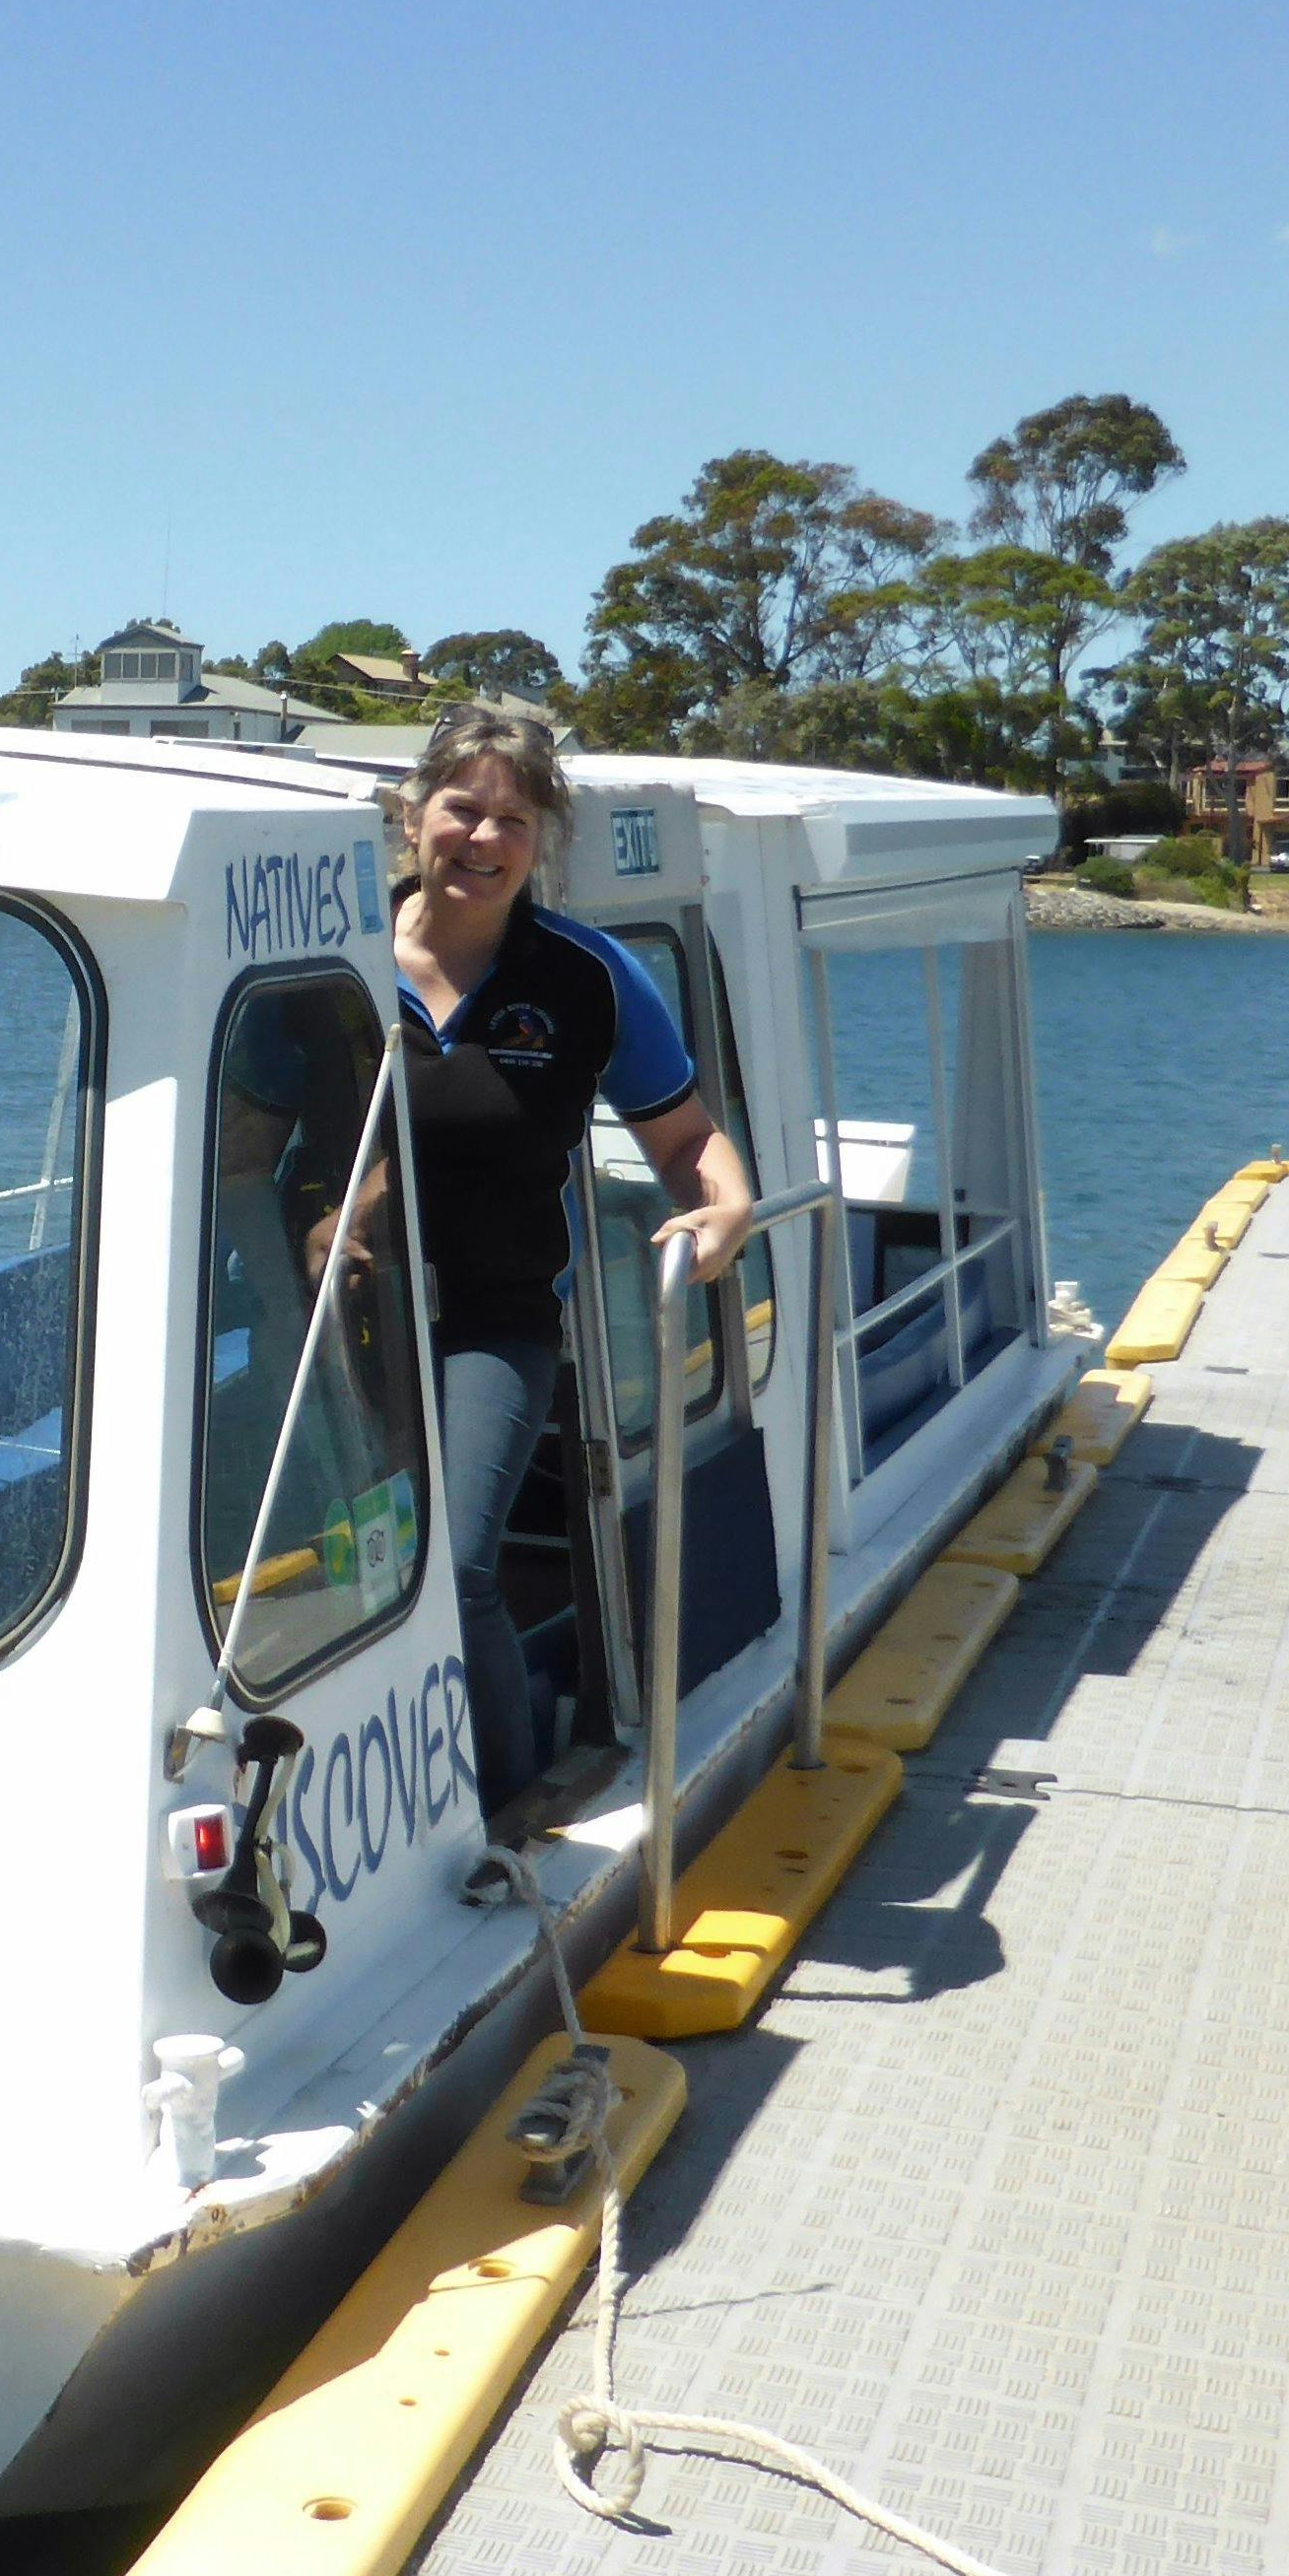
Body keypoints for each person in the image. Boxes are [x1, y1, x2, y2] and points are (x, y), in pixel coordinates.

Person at [381, 702, 752, 1809]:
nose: (482, 839)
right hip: (344, 1320)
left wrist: (726, 1207)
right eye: (462, 809)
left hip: (493, 1320)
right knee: (350, 1581)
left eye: (512, 819)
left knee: (452, 1568)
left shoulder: (581, 975)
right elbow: (247, 1142)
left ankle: (503, 1807)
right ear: (414, 816)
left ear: (541, 841)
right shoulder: (330, 953)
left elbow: (684, 1137)